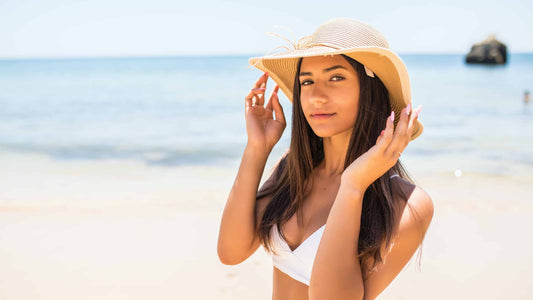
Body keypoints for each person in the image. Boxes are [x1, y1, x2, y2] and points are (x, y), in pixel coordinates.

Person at [217, 18, 434, 299]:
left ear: (373, 90)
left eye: (336, 77)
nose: (316, 96)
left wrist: (353, 185)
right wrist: (257, 149)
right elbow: (231, 252)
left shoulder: (407, 206)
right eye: (306, 82)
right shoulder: (293, 169)